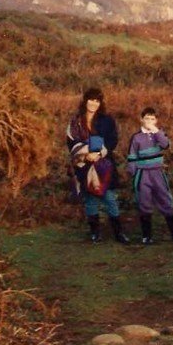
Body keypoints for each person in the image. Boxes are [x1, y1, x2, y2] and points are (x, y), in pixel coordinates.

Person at [66, 86, 128, 244]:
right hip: (84, 165)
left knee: (110, 198)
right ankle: (95, 233)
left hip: (104, 164)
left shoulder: (107, 120)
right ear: (85, 100)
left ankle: (119, 233)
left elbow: (112, 140)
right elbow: (71, 142)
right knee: (90, 199)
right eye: (91, 99)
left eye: (97, 100)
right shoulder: (76, 121)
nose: (93, 103)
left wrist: (99, 154)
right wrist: (86, 154)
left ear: (100, 103)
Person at [125, 106, 173, 245]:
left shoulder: (159, 133)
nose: (149, 121)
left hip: (158, 172)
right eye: (147, 118)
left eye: (152, 119)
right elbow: (132, 156)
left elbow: (166, 145)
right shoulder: (136, 137)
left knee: (166, 200)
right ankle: (146, 236)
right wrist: (133, 174)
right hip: (143, 174)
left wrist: (156, 130)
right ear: (141, 120)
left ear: (156, 120)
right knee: (144, 202)